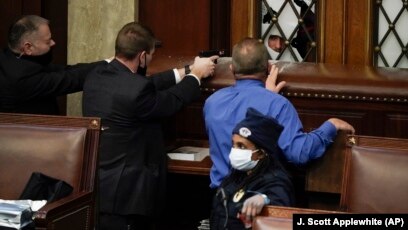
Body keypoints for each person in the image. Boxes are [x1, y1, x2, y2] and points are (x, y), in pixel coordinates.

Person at [82, 22, 217, 230]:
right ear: (142, 56)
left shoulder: (97, 75)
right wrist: (196, 76)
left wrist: (187, 70)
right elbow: (170, 101)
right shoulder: (136, 90)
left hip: (100, 184)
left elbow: (145, 85)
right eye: (152, 55)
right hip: (128, 193)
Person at [203, 37, 355, 189]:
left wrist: (268, 97)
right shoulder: (277, 104)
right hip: (261, 200)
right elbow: (300, 153)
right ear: (269, 67)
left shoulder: (212, 102)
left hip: (221, 200)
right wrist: (330, 125)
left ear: (232, 68)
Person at [0, 15, 104, 115]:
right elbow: (70, 79)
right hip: (28, 132)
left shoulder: (10, 56)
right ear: (28, 47)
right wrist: (112, 64)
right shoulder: (22, 78)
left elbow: (64, 70)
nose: (53, 43)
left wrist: (106, 62)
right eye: (47, 41)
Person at [210, 107, 295, 230]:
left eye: (242, 146)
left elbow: (280, 205)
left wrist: (265, 199)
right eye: (233, 144)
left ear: (260, 153)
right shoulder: (237, 175)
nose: (235, 151)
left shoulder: (276, 180)